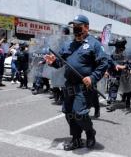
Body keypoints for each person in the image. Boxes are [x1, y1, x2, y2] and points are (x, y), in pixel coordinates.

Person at [44, 15, 108, 151]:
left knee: (79, 112)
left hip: (85, 86)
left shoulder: (94, 44)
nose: (75, 28)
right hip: (69, 86)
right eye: (73, 26)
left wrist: (92, 77)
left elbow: (104, 63)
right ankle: (76, 139)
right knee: (69, 113)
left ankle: (90, 132)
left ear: (87, 27)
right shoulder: (68, 44)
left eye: (78, 26)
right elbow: (60, 61)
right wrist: (53, 62)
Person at [105, 37, 131, 112]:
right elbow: (110, 61)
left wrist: (125, 67)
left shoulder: (128, 52)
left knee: (127, 88)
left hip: (125, 73)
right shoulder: (113, 52)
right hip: (115, 72)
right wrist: (107, 71)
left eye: (119, 45)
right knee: (113, 85)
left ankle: (127, 101)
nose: (117, 48)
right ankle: (112, 102)